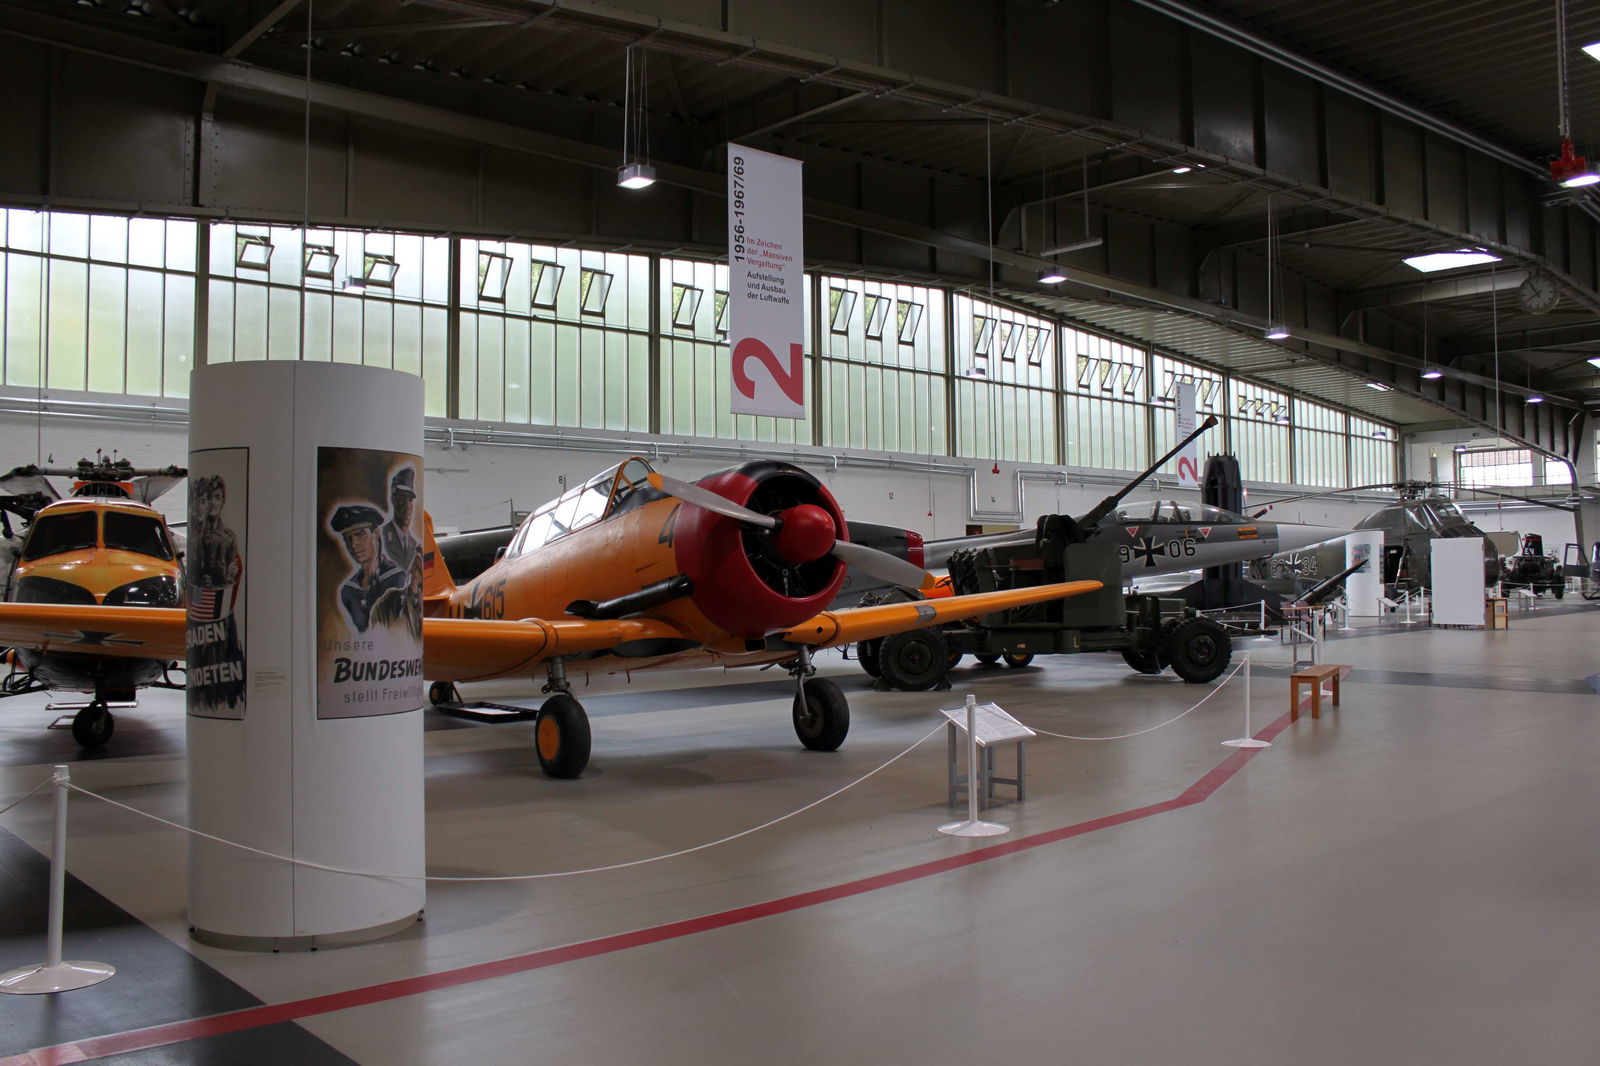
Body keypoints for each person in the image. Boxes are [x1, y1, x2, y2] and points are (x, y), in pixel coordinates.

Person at [331, 503, 410, 634]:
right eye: (347, 538)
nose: (353, 544)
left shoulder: (398, 581)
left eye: (360, 534)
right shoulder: (349, 591)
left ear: (376, 534)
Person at [380, 466, 419, 574]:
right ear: (393, 500)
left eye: (410, 500)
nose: (407, 506)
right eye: (402, 499)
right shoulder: (382, 535)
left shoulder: (413, 543)